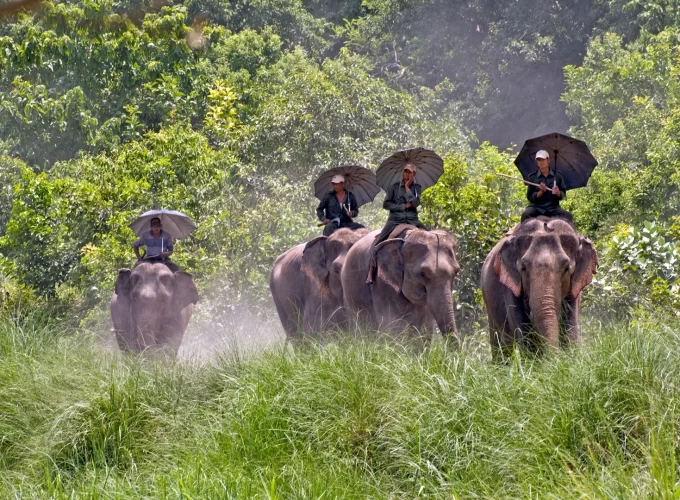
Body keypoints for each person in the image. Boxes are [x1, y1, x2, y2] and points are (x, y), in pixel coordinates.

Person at [366, 163, 426, 285]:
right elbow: (386, 204)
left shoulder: (417, 188)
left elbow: (415, 204)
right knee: (378, 243)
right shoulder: (393, 187)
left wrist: (408, 189)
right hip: (395, 220)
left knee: (430, 239)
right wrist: (402, 206)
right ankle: (371, 271)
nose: (407, 174)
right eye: (405, 171)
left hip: (412, 220)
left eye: (410, 172)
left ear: (414, 174)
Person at [521, 149, 573, 223]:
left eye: (543, 159)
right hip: (536, 208)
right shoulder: (532, 177)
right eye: (538, 160)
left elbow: (563, 193)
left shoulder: (557, 176)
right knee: (526, 214)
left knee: (568, 216)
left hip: (553, 208)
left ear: (548, 160)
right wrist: (540, 192)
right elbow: (530, 197)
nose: (541, 162)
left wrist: (558, 193)